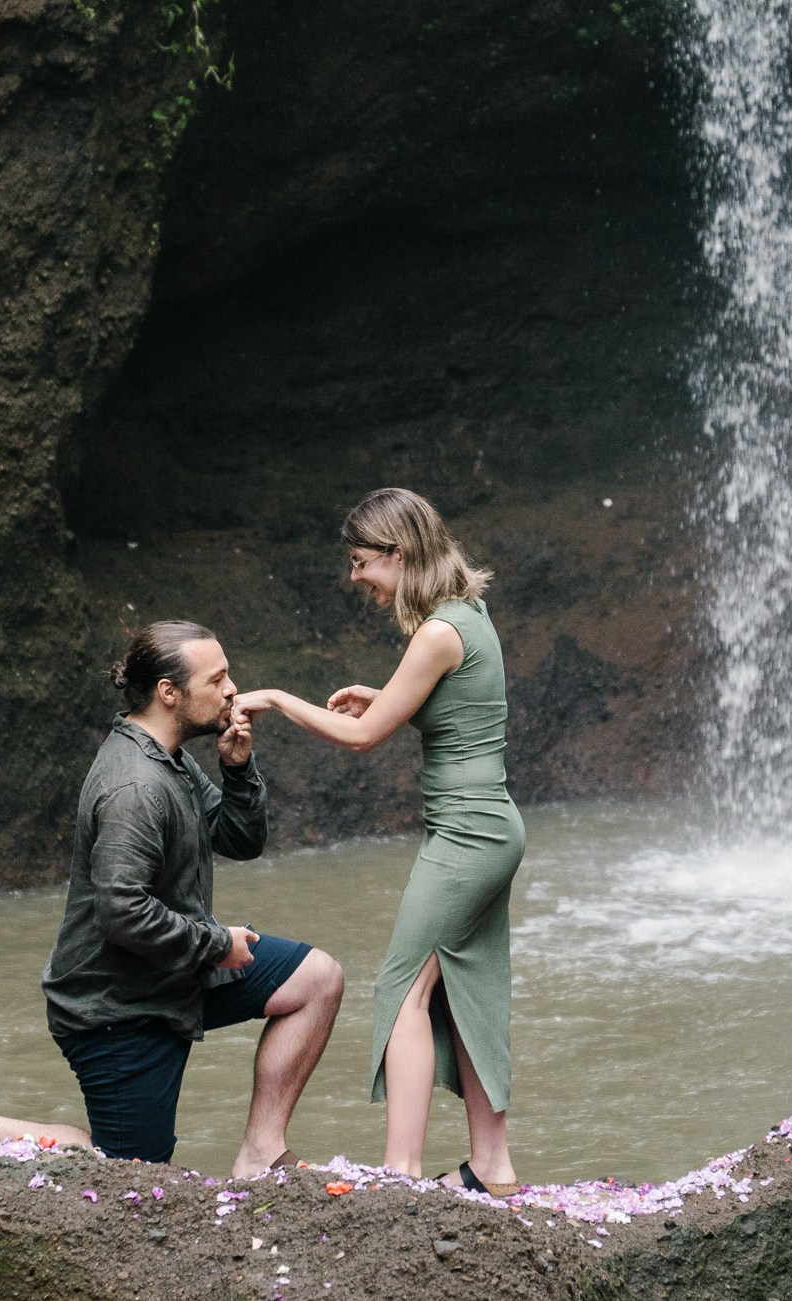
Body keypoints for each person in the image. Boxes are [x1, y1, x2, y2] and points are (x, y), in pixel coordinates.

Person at [0, 621, 344, 1177]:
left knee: (316, 979)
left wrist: (236, 768)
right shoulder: (136, 785)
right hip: (114, 1006)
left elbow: (239, 840)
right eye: (219, 678)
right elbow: (121, 911)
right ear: (168, 692)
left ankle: (261, 1152)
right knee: (129, 1172)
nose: (233, 689)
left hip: (171, 972)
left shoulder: (168, 757)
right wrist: (213, 943)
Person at [236, 488, 524, 1197]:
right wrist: (390, 691)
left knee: (403, 989)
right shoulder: (467, 617)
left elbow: (364, 738)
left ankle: (400, 1174)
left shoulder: (435, 634)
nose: (357, 576)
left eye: (363, 562)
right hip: (491, 829)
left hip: (467, 836)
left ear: (398, 554)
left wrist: (275, 699)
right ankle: (492, 1164)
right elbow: (458, 704)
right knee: (466, 989)